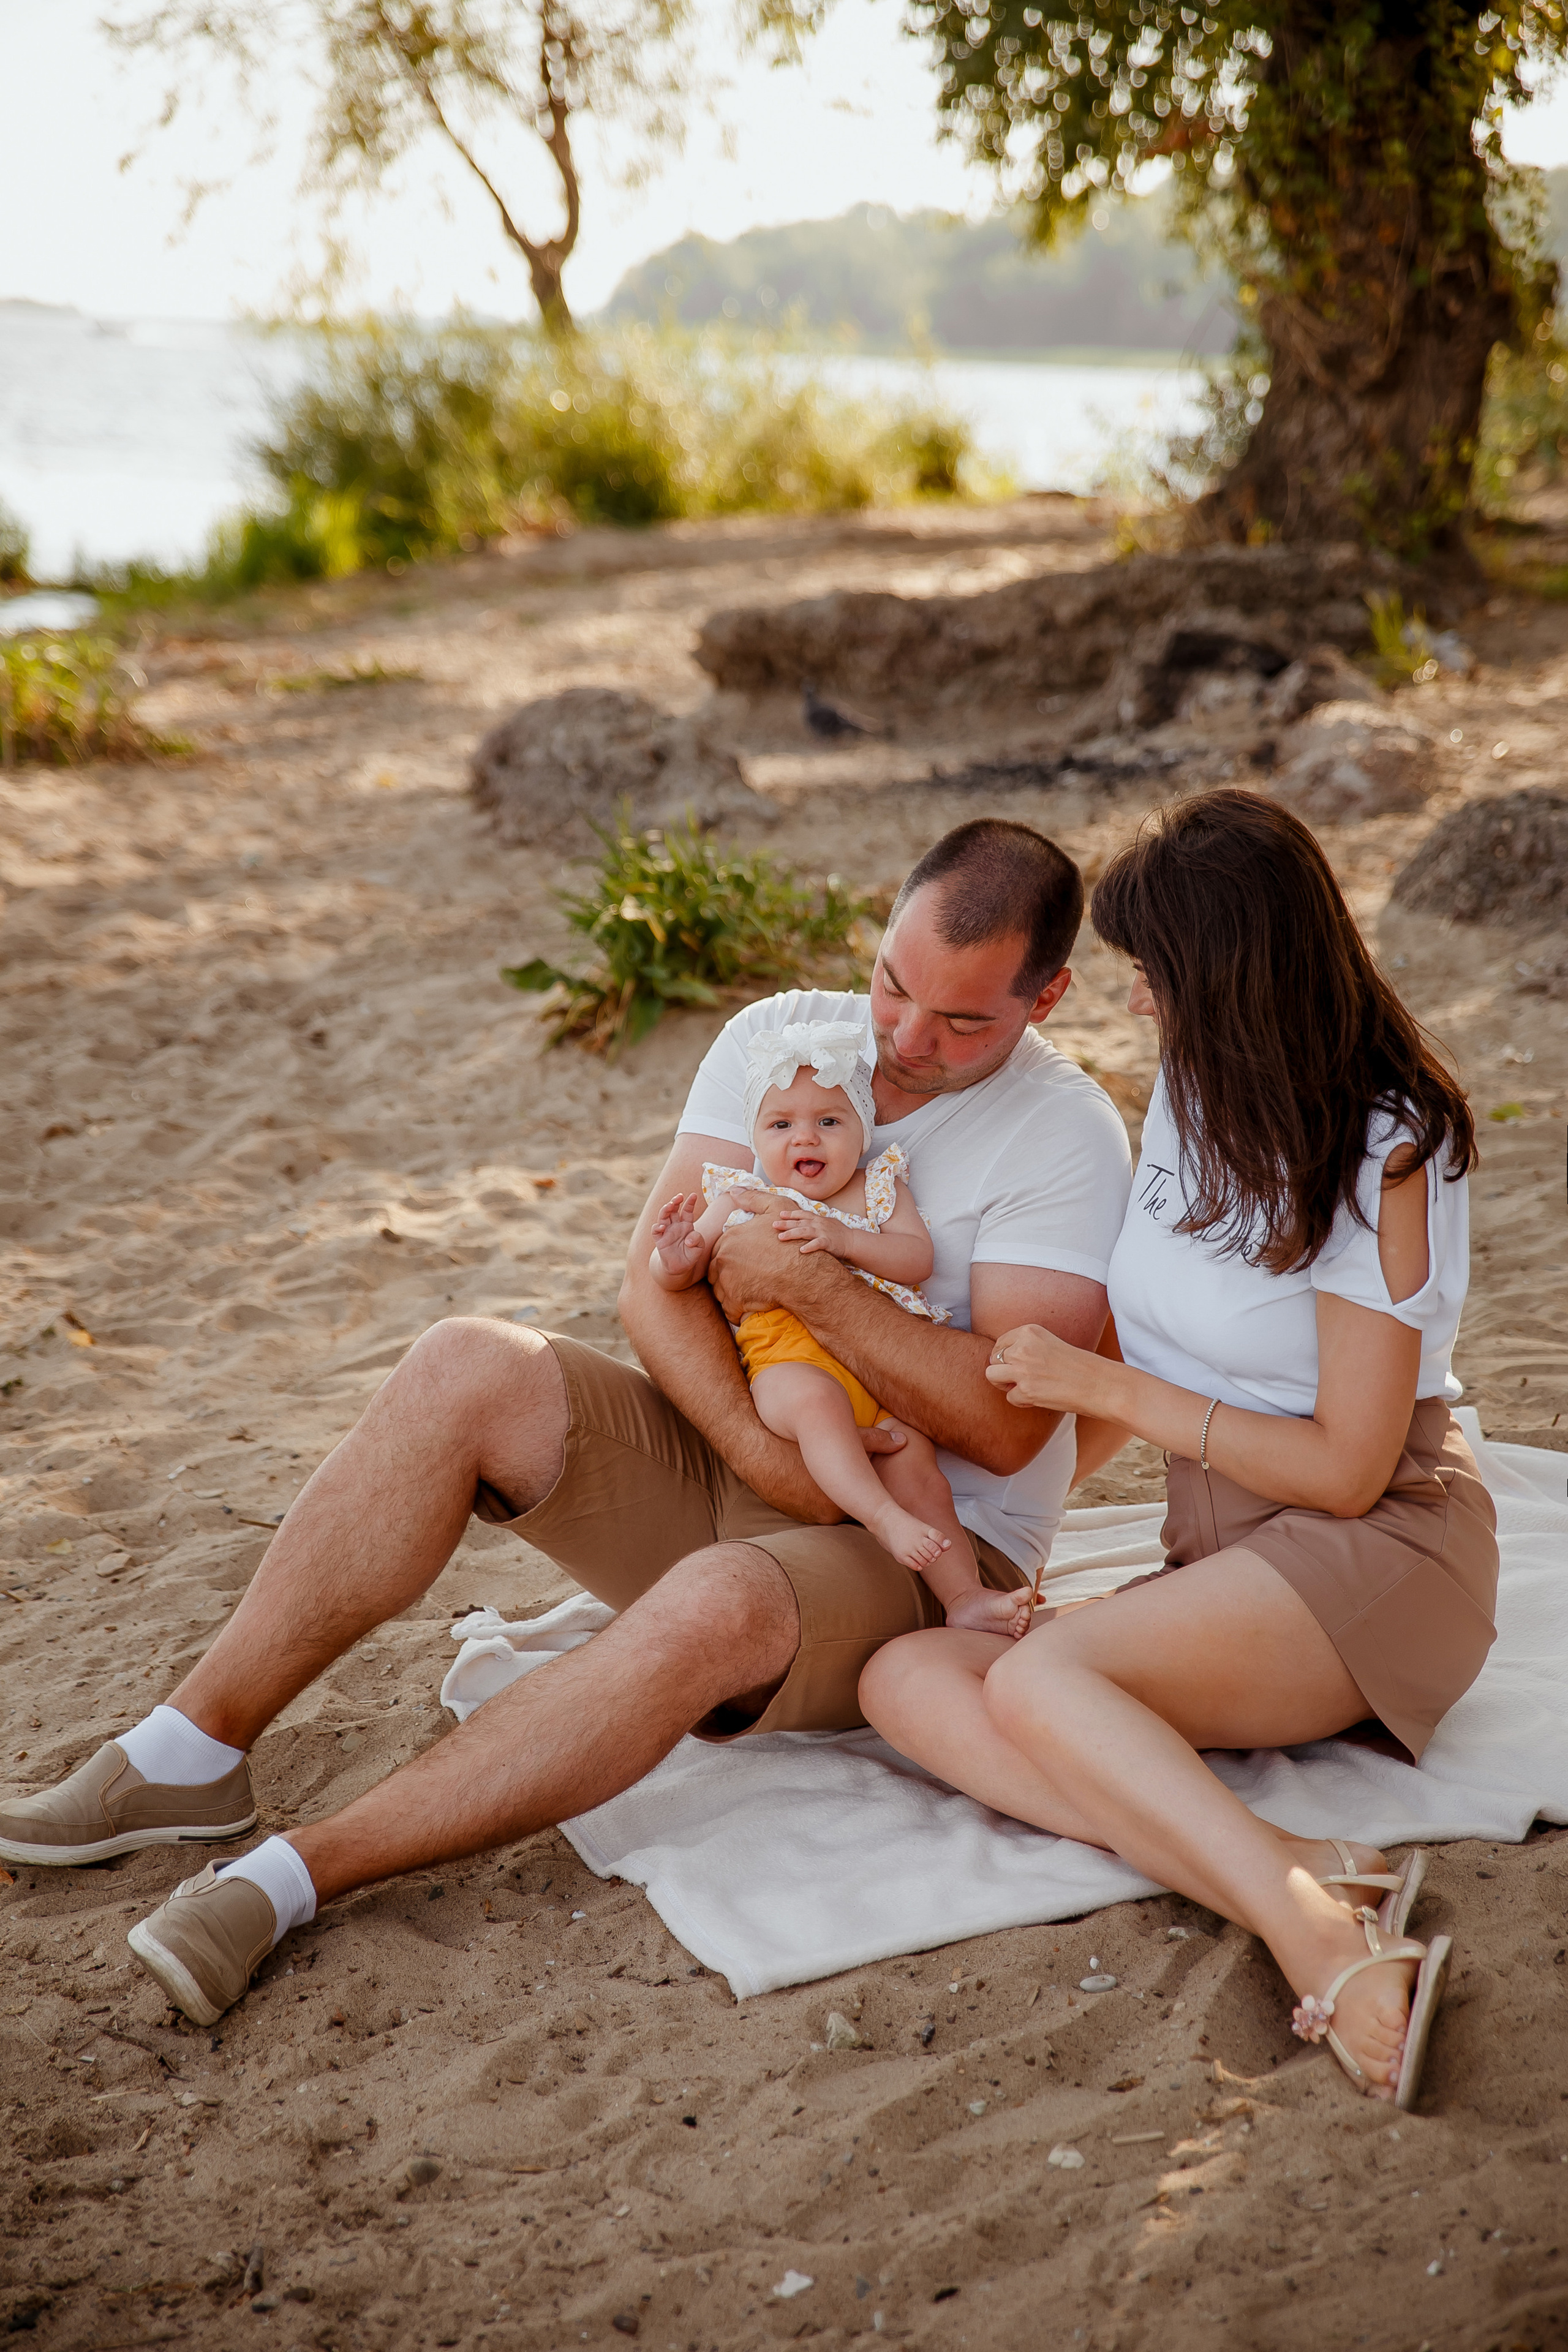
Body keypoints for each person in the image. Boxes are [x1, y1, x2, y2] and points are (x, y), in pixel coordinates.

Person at [0, 818, 1132, 2027]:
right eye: (892, 986)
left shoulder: (1062, 1138)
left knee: (720, 1598)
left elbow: (1009, 1431)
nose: (904, 1044)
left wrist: (810, 1288)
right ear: (881, 933)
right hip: (746, 1452)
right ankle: (190, 1752)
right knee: (463, 1364)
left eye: (961, 1022)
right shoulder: (776, 1043)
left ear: (1047, 995)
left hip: (922, 1535)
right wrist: (755, 1453)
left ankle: (291, 1877)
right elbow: (653, 1283)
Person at [860, 787, 1498, 2113]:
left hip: (1373, 1550)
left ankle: (1305, 1924)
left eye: (1153, 975)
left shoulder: (1387, 1153)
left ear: (1226, 975)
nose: (1137, 1001)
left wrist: (1098, 1387)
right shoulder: (1192, 1094)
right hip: (1222, 1553)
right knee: (909, 1675)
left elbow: (1341, 1468)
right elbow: (1158, 1350)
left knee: (1041, 1692)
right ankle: (1292, 1854)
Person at [652, 1017, 1030, 1633]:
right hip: (786, 1364)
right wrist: (672, 1254)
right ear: (754, 1135)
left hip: (876, 1376)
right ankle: (882, 1518)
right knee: (817, 1405)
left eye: (829, 1122)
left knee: (920, 1472)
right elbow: (681, 1273)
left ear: (862, 1130)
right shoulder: (741, 1195)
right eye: (781, 1125)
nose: (806, 1139)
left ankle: (964, 1598)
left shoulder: (877, 1191)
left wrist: (845, 1239)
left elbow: (915, 1260)